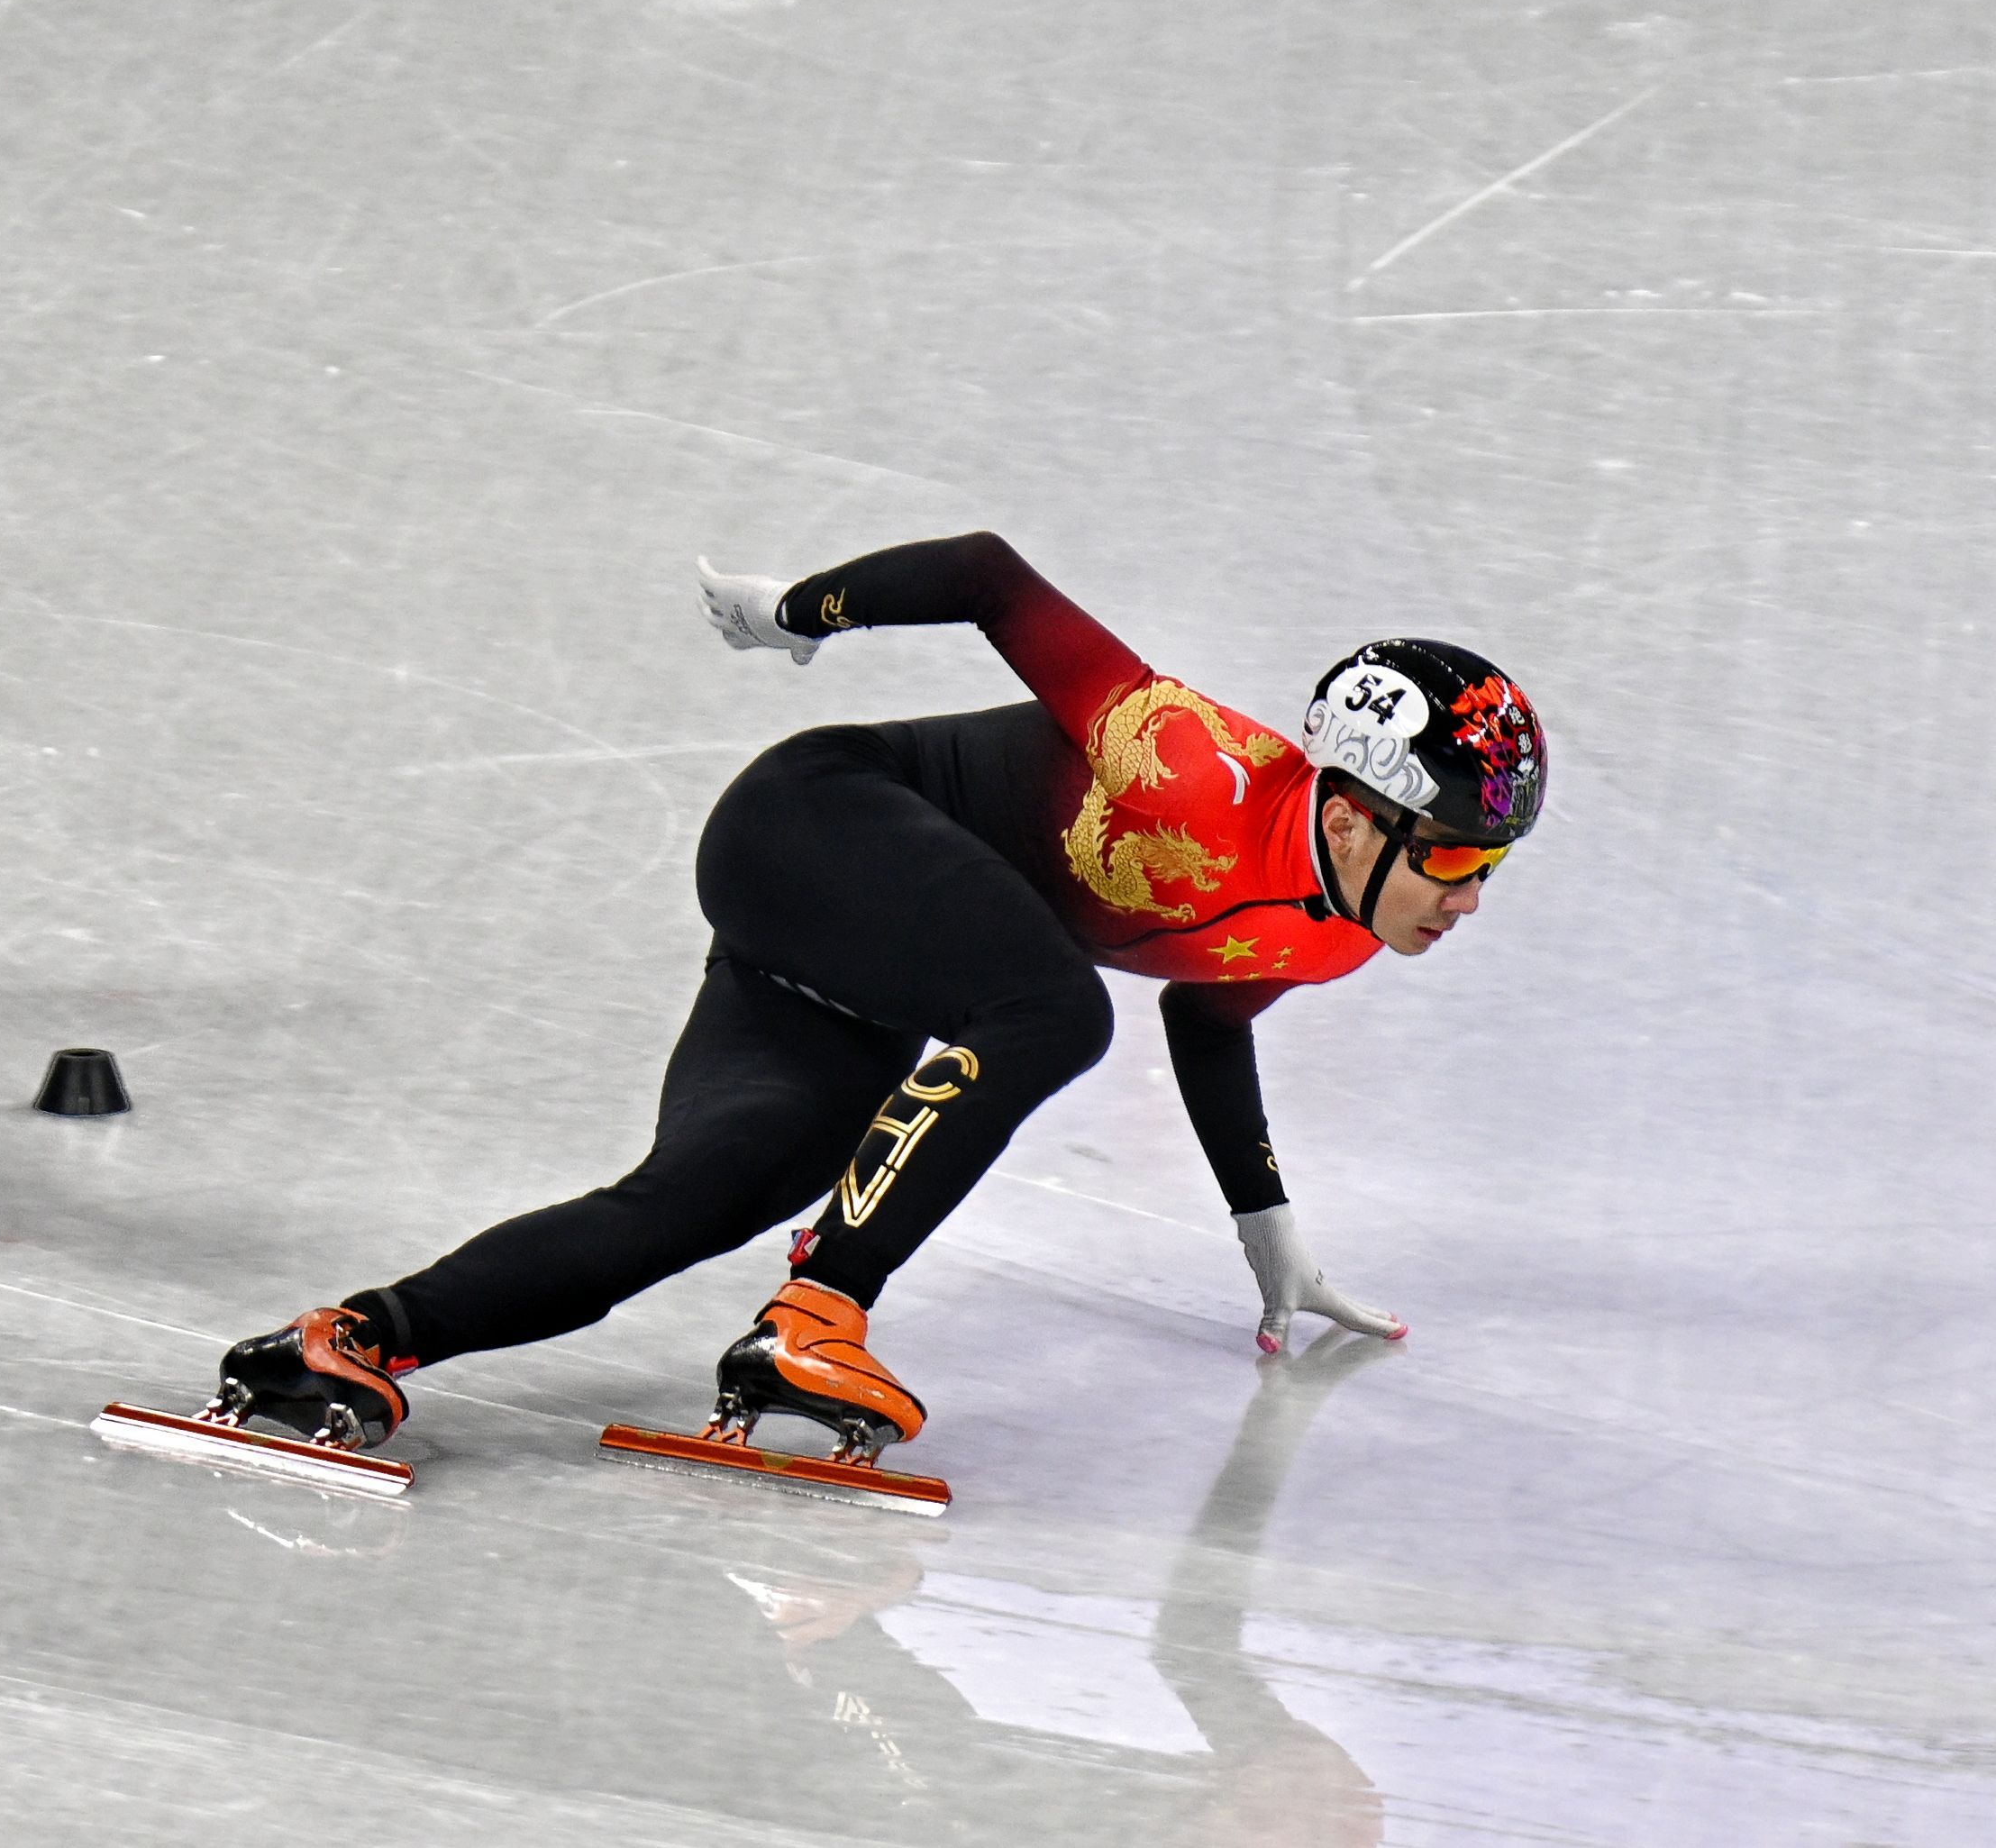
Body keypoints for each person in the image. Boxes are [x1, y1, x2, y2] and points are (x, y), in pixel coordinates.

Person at [199, 532, 1545, 1466]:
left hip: (861, 958)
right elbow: (983, 573)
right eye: (1454, 857)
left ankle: (353, 1337)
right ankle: (820, 1313)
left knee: (690, 1202)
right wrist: (795, 612)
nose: (1469, 896)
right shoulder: (1188, 764)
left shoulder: (1345, 933)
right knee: (1058, 1007)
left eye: (1492, 867)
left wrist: (1267, 1225)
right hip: (814, 822)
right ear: (1360, 811)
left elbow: (1207, 1005)